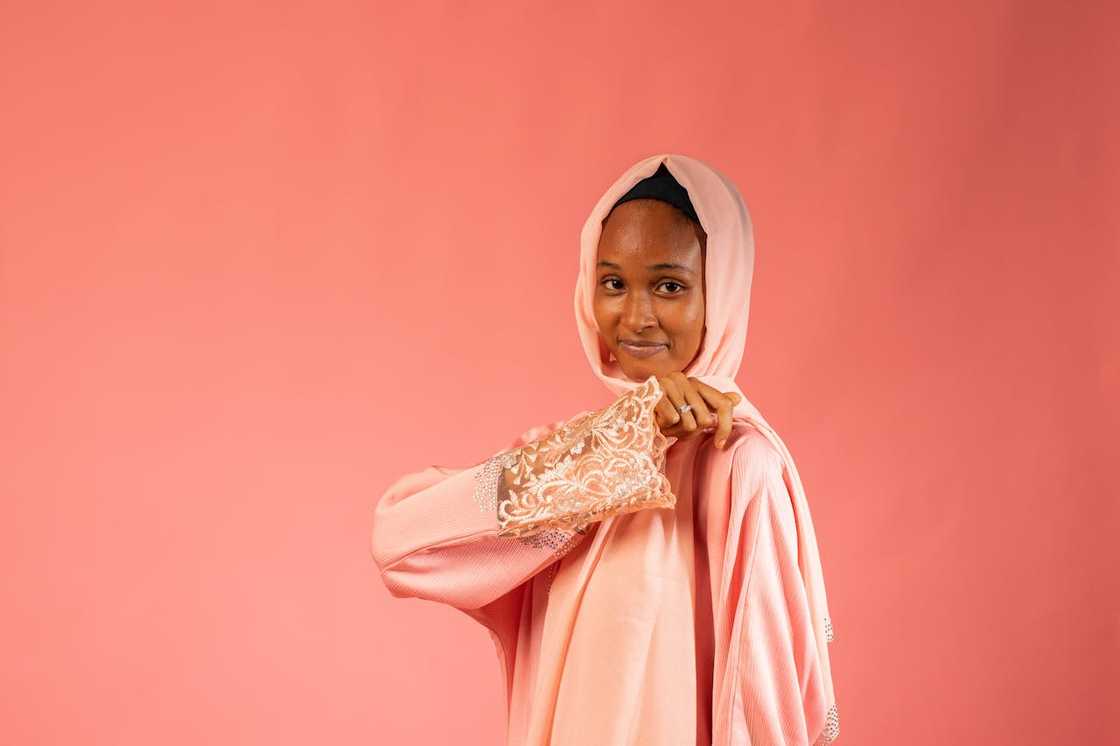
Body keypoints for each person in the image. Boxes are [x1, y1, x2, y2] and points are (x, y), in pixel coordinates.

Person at [370, 153, 840, 745]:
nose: (636, 317)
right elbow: (400, 544)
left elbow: (763, 707)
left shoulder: (740, 465)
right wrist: (629, 435)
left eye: (669, 286)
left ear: (720, 295)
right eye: (614, 283)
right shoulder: (579, 458)